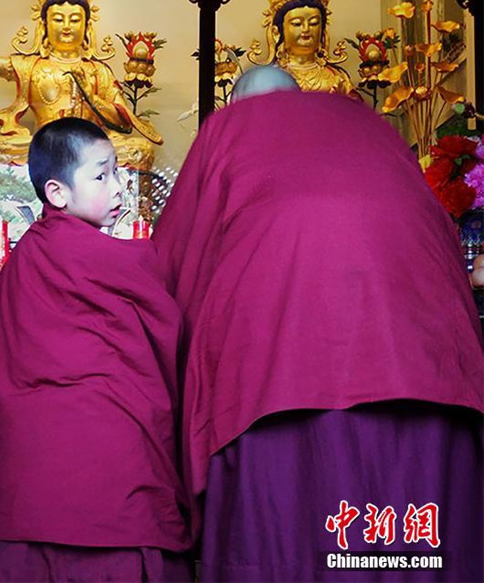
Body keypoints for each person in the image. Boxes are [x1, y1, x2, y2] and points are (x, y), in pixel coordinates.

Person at [152, 66, 483, 581]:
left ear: (237, 104)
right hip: (425, 361)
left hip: (280, 373)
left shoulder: (232, 128)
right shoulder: (369, 124)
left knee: (291, 541)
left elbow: (178, 256)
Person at [0, 117, 191, 582]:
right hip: (113, 467)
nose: (119, 188)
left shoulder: (26, 260)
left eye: (118, 172)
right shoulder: (113, 261)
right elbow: (165, 333)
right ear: (57, 194)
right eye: (102, 175)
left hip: (34, 475)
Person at [0, 0, 161, 169]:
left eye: (75, 20)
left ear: (86, 27)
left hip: (90, 146)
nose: (66, 26)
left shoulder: (98, 71)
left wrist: (93, 98)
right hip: (44, 144)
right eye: (57, 19)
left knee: (140, 150)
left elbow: (121, 122)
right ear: (44, 25)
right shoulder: (31, 67)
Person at [249, 0, 354, 94]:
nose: (306, 29)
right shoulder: (269, 80)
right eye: (297, 23)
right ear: (277, 33)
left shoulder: (337, 79)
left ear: (322, 30)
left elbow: (354, 112)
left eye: (314, 23)